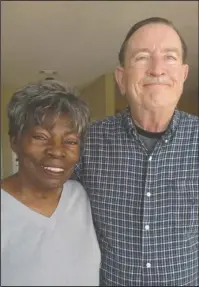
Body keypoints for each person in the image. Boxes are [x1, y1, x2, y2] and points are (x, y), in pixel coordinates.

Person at [73, 17, 199, 286]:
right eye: (142, 57)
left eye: (170, 57)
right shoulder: (87, 141)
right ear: (121, 77)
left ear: (184, 75)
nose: (157, 69)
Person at [1, 80, 101, 286]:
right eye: (40, 137)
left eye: (71, 141)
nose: (57, 150)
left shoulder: (81, 196)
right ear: (14, 141)